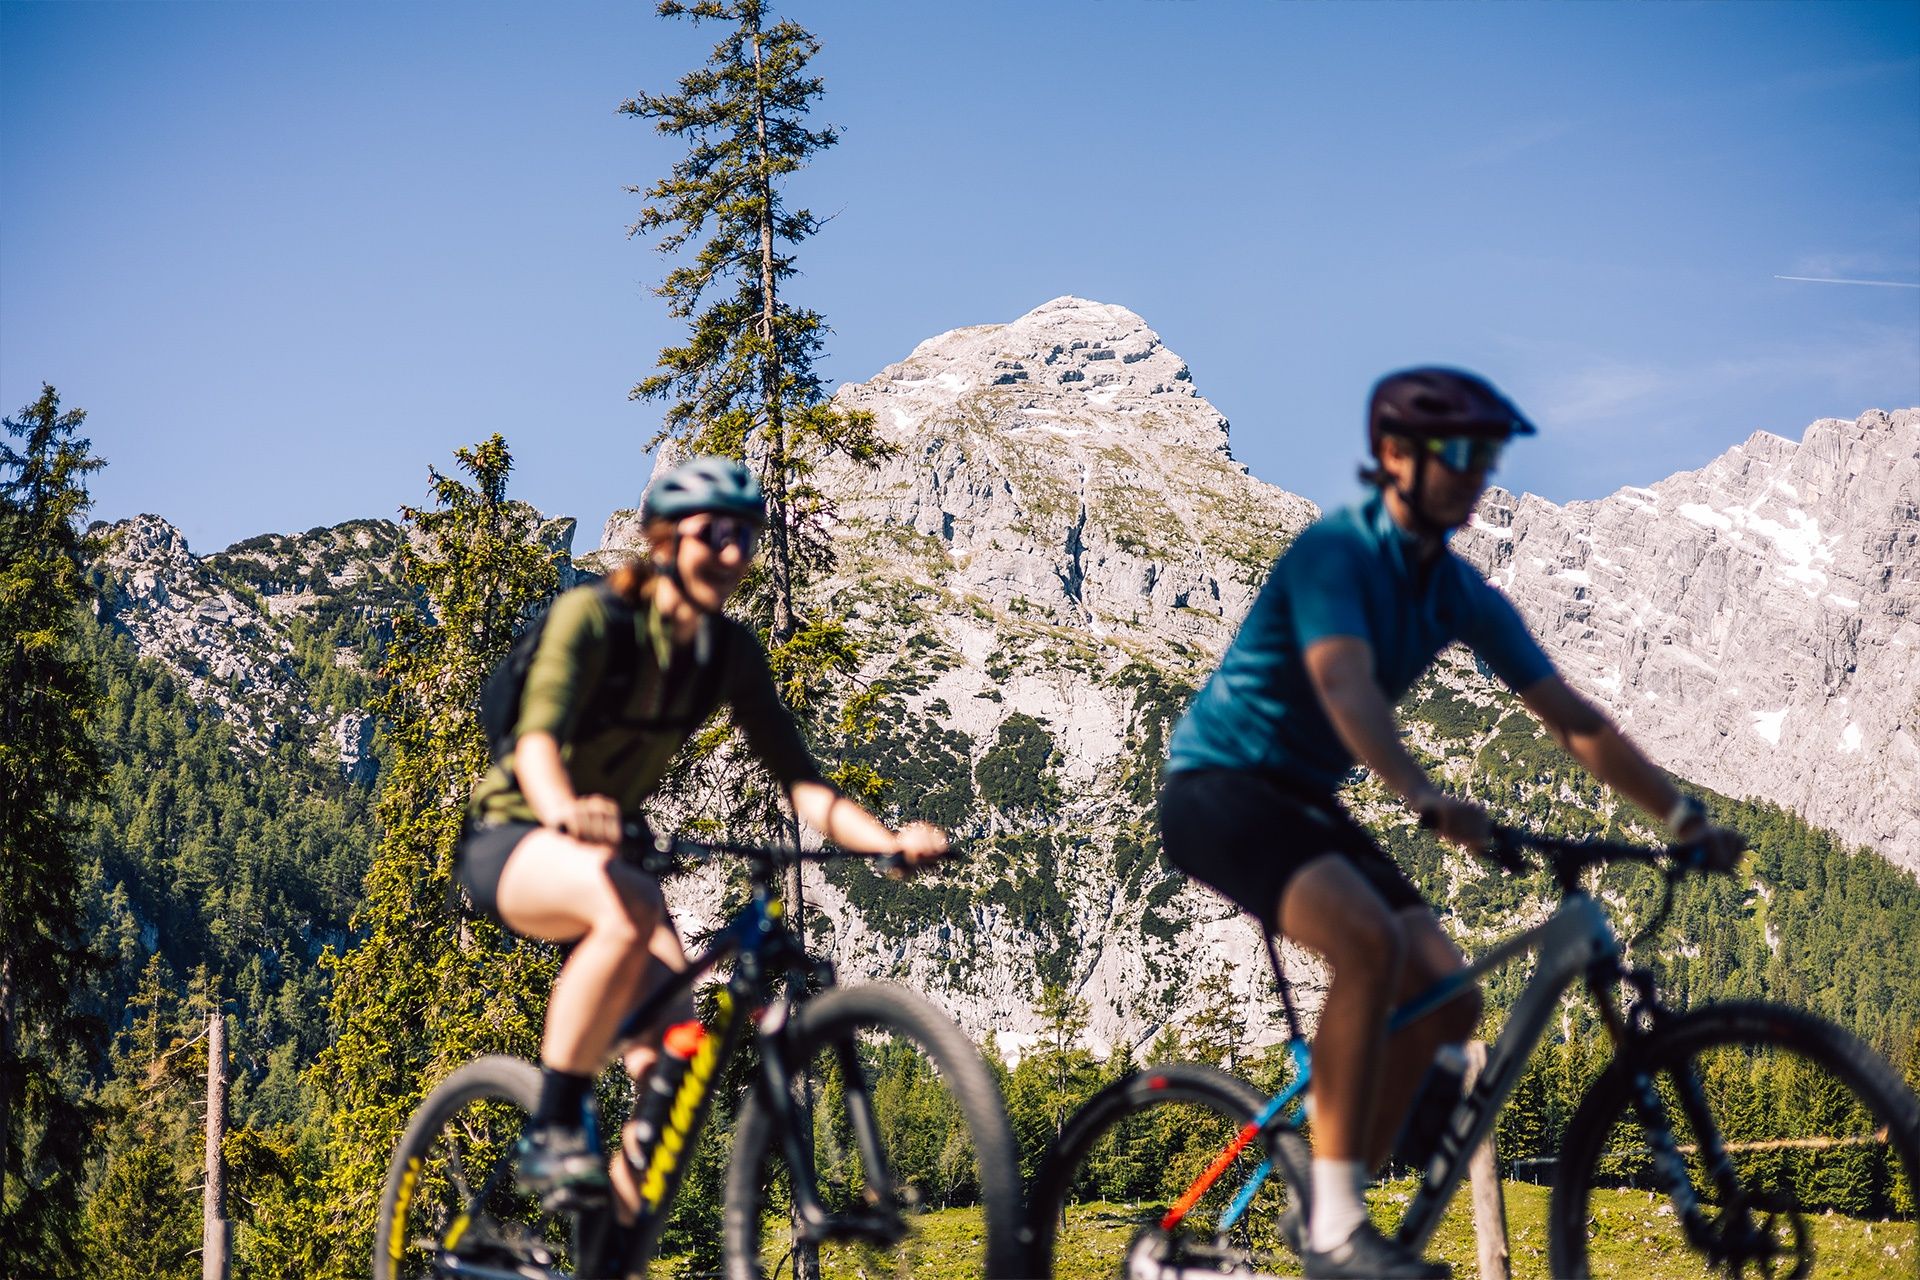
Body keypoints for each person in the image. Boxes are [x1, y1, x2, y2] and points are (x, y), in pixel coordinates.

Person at [1158, 369, 1743, 1279]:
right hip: (1218, 787)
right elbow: (1344, 683)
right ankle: (1337, 1228)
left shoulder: (1459, 591)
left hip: (1305, 804)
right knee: (1367, 947)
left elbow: (1573, 718)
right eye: (1459, 455)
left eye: (1488, 458)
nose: (1477, 475)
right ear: (1396, 457)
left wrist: (1681, 818)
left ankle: (1333, 1181)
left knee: (1452, 995)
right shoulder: (1335, 555)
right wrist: (1424, 795)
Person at [459, 456, 947, 1207]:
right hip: (516, 836)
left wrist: (882, 841)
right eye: (713, 533)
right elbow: (537, 745)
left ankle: (614, 1238)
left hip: (609, 864)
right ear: (663, 540)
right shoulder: (593, 618)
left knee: (672, 1063)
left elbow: (805, 789)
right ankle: (551, 1128)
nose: (732, 553)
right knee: (623, 903)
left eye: (746, 537)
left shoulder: (729, 654)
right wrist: (565, 812)